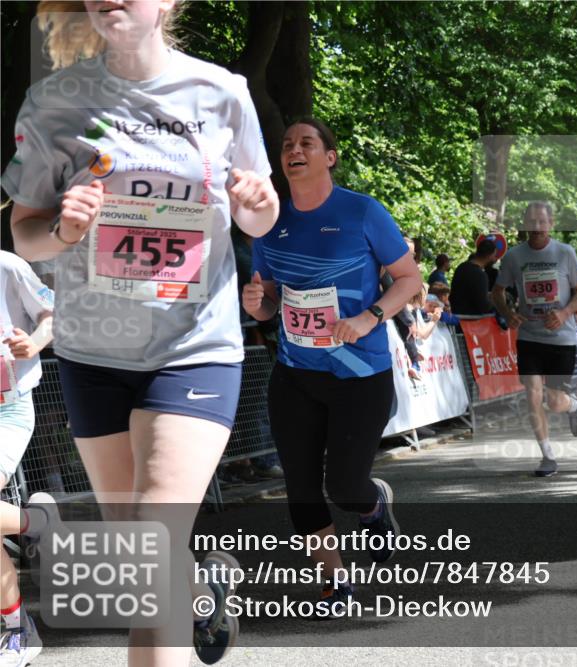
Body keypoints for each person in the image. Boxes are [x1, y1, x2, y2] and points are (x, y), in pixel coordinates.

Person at [3, 2, 279, 664]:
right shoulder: (52, 102)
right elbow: (26, 231)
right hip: (93, 351)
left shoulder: (223, 93)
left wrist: (257, 207)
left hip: (193, 348)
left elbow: (260, 216)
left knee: (150, 554)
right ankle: (203, 589)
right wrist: (64, 229)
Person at [244, 118, 421, 613]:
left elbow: (409, 279)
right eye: (287, 144)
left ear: (330, 156)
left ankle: (373, 506)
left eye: (307, 143)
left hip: (359, 374)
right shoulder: (269, 221)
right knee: (300, 486)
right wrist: (255, 300)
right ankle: (335, 580)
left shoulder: (362, 212)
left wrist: (371, 316)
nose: (294, 150)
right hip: (296, 373)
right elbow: (268, 304)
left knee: (344, 486)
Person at [491, 202, 577, 477]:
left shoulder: (564, 253)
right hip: (530, 337)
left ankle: (575, 405)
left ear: (551, 223)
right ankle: (548, 457)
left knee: (555, 401)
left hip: (561, 338)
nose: (536, 227)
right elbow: (497, 291)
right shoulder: (514, 257)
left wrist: (564, 312)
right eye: (531, 221)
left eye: (541, 221)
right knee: (532, 396)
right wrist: (509, 314)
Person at [0, 251, 55, 667]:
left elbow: (54, 315)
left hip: (7, 409)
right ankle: (36, 524)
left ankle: (17, 630)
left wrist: (32, 343)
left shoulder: (7, 266)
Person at [450, 239, 497, 317]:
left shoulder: (462, 267)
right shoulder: (480, 275)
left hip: (456, 317)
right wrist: (496, 300)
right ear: (489, 256)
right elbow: (484, 306)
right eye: (494, 256)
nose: (495, 259)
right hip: (469, 321)